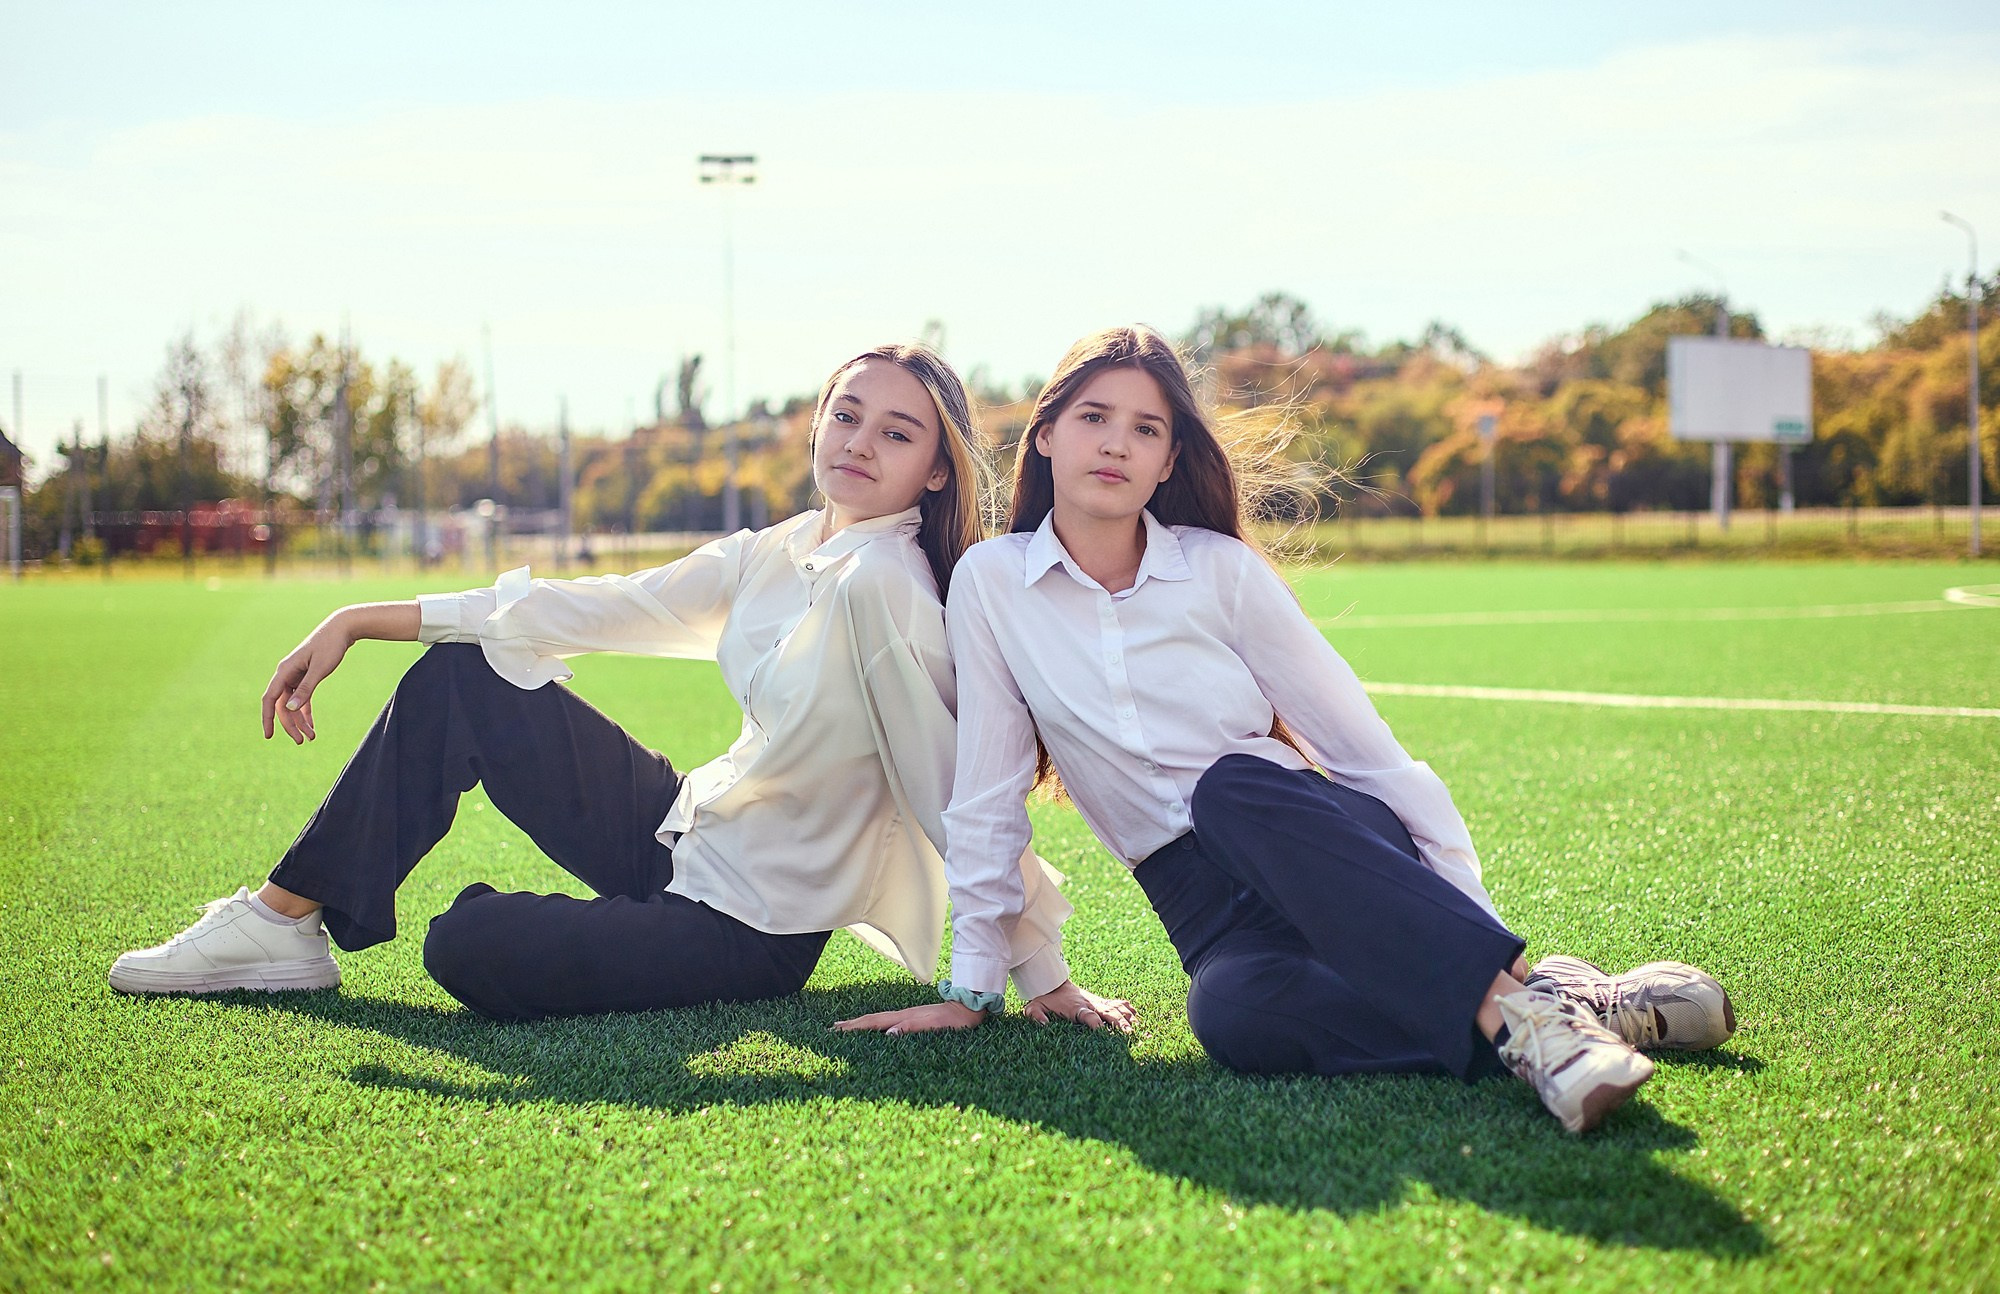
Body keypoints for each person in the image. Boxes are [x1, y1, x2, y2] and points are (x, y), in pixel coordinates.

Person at [838, 326, 1732, 1134]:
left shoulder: (1222, 573)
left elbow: (1369, 759)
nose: (1116, 442)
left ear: (1165, 462)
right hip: (1203, 909)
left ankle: (1530, 1020)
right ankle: (1556, 1005)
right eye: (1094, 416)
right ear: (1044, 435)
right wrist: (975, 985)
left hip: (1312, 834)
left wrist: (1478, 921)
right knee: (1231, 1018)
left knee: (1234, 787)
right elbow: (988, 791)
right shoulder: (992, 584)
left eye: (1146, 430)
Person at [111, 343, 1118, 1027]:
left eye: (896, 434)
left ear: (935, 473)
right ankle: (283, 922)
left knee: (468, 943)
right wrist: (360, 620)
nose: (858, 442)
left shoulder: (886, 591)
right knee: (467, 677)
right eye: (845, 415)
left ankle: (376, 923)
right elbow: (593, 605)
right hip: (679, 831)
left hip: (746, 932)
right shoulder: (778, 550)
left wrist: (1033, 975)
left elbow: (953, 784)